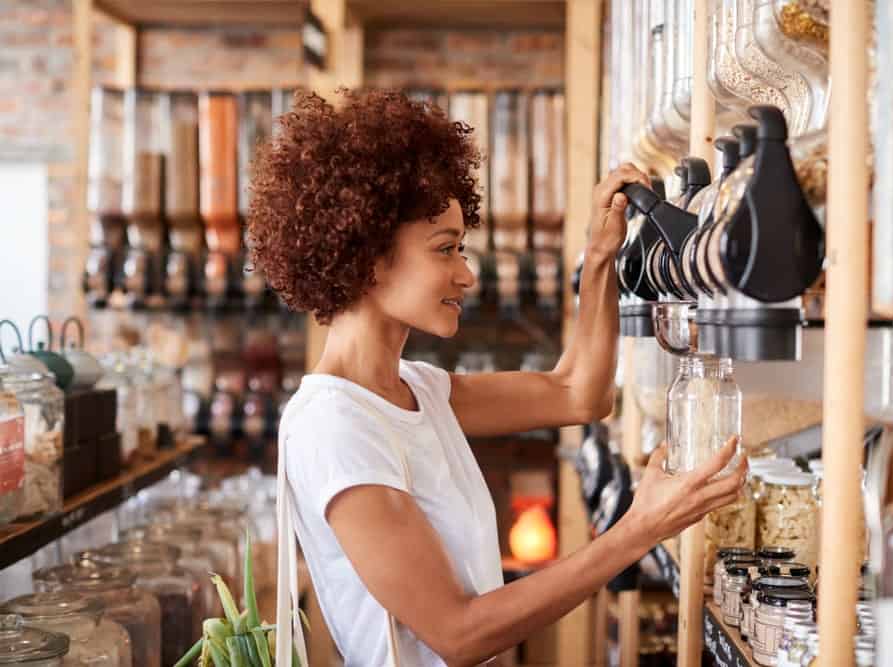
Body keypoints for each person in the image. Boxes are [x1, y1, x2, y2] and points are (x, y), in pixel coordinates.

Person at [247, 88, 747, 667]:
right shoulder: (335, 427)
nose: (466, 274)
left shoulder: (417, 391)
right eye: (446, 249)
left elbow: (578, 393)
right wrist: (640, 529)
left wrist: (601, 256)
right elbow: (457, 634)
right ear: (368, 257)